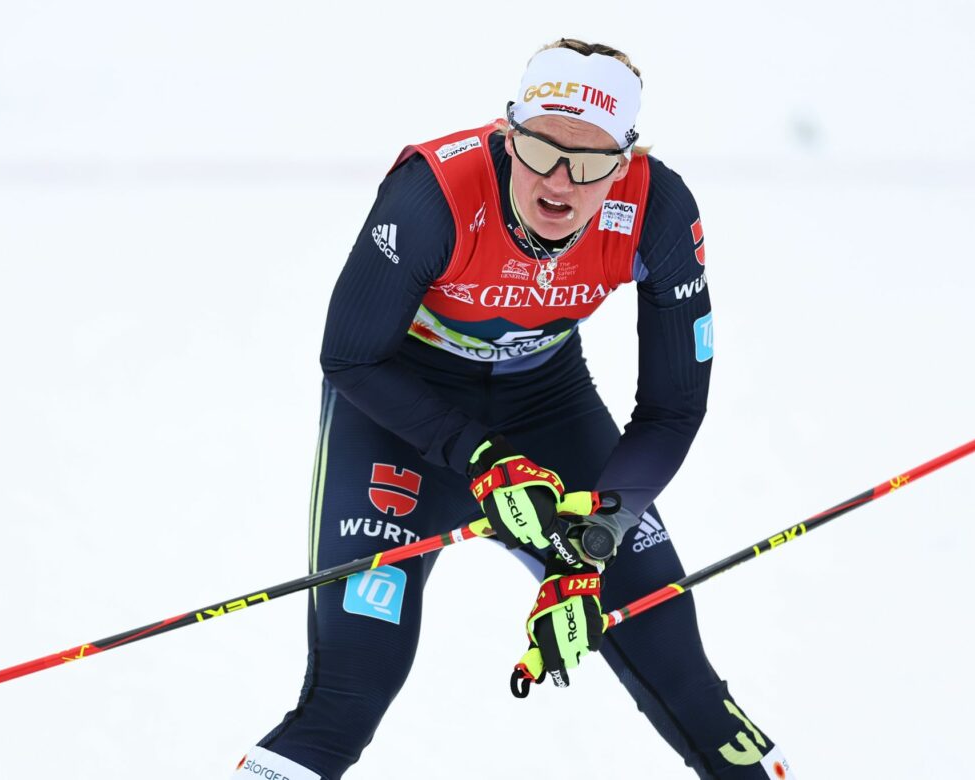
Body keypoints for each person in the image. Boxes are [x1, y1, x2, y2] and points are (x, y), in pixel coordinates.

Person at [232, 38, 793, 780]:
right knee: (350, 693)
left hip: (547, 405)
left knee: (685, 678)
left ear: (624, 164)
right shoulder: (436, 194)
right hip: (401, 414)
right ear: (506, 136)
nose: (560, 182)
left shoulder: (657, 210)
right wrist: (478, 457)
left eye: (590, 162)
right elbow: (350, 356)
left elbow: (672, 408)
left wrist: (592, 540)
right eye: (539, 151)